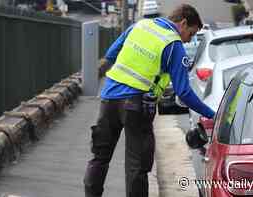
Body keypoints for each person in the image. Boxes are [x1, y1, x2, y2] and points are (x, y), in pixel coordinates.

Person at [84, 4, 215, 197]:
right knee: (137, 167)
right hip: (136, 105)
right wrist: (212, 114)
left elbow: (111, 54)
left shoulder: (140, 26)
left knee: (99, 158)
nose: (189, 40)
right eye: (191, 33)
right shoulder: (174, 45)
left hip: (108, 98)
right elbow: (184, 92)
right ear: (183, 23)